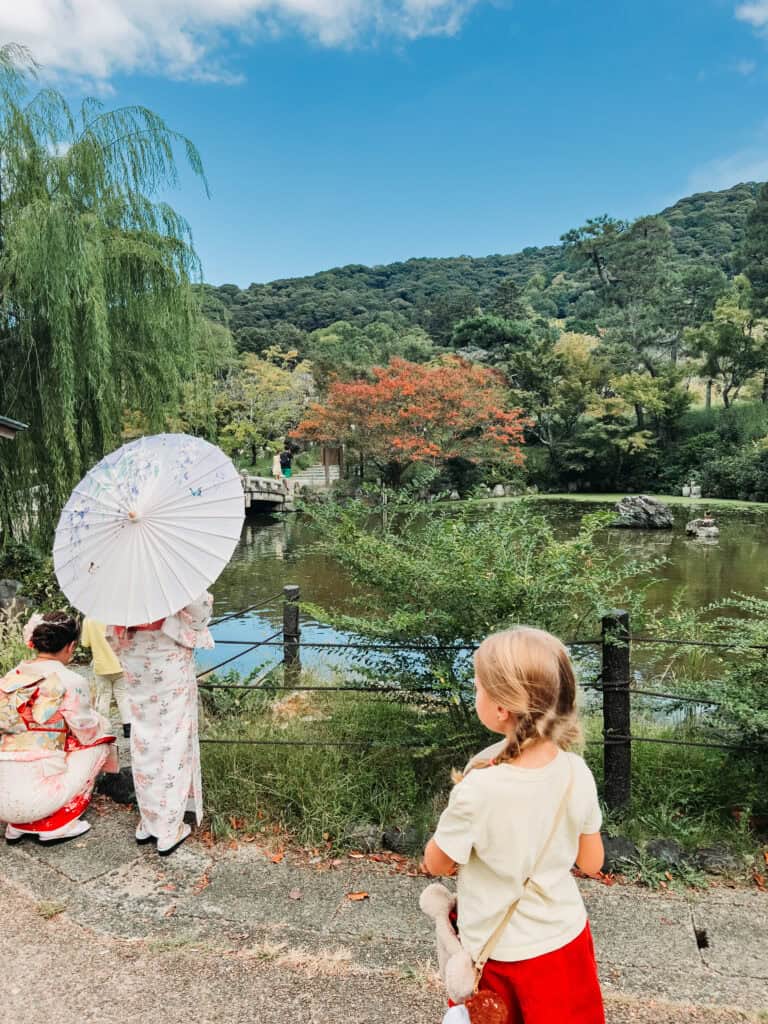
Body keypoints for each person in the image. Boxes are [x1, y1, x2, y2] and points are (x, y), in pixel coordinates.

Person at [422, 626, 605, 1024]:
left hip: (504, 955)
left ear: (502, 709)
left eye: (478, 688)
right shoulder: (577, 772)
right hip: (566, 941)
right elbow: (592, 862)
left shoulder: (479, 788)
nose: (476, 695)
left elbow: (436, 864)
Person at [109, 593, 213, 856]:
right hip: (166, 653)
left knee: (144, 734)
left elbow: (109, 623)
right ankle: (168, 827)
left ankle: (149, 819)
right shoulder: (166, 565)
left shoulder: (120, 572)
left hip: (135, 653)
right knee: (173, 736)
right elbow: (200, 611)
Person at [0, 611, 117, 845]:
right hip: (39, 800)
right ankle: (57, 824)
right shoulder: (70, 681)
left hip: (3, 803)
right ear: (71, 646)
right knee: (102, 739)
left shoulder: (10, 677)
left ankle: (19, 825)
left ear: (34, 642)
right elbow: (87, 732)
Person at [81, 617, 130, 738]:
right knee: (122, 695)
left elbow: (85, 643)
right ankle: (128, 728)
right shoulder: (116, 615)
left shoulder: (89, 619)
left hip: (101, 666)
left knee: (103, 695)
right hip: (119, 663)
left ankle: (104, 728)